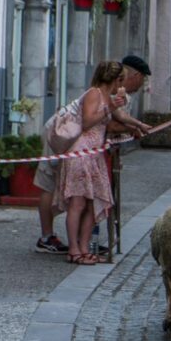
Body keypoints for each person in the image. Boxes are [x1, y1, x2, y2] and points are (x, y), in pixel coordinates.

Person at [34, 56, 150, 254]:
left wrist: (136, 125)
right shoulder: (96, 94)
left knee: (85, 200)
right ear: (121, 79)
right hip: (64, 136)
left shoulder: (109, 96)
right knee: (51, 184)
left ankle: (82, 244)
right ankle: (49, 237)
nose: (143, 86)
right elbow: (95, 121)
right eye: (143, 80)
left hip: (83, 148)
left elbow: (114, 119)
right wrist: (126, 124)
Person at [54, 61, 123, 265]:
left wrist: (135, 126)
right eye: (121, 79)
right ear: (114, 79)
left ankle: (84, 248)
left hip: (94, 155)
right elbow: (87, 121)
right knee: (78, 203)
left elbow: (108, 122)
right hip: (81, 153)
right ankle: (74, 249)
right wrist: (110, 107)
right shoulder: (94, 93)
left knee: (93, 203)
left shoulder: (105, 97)